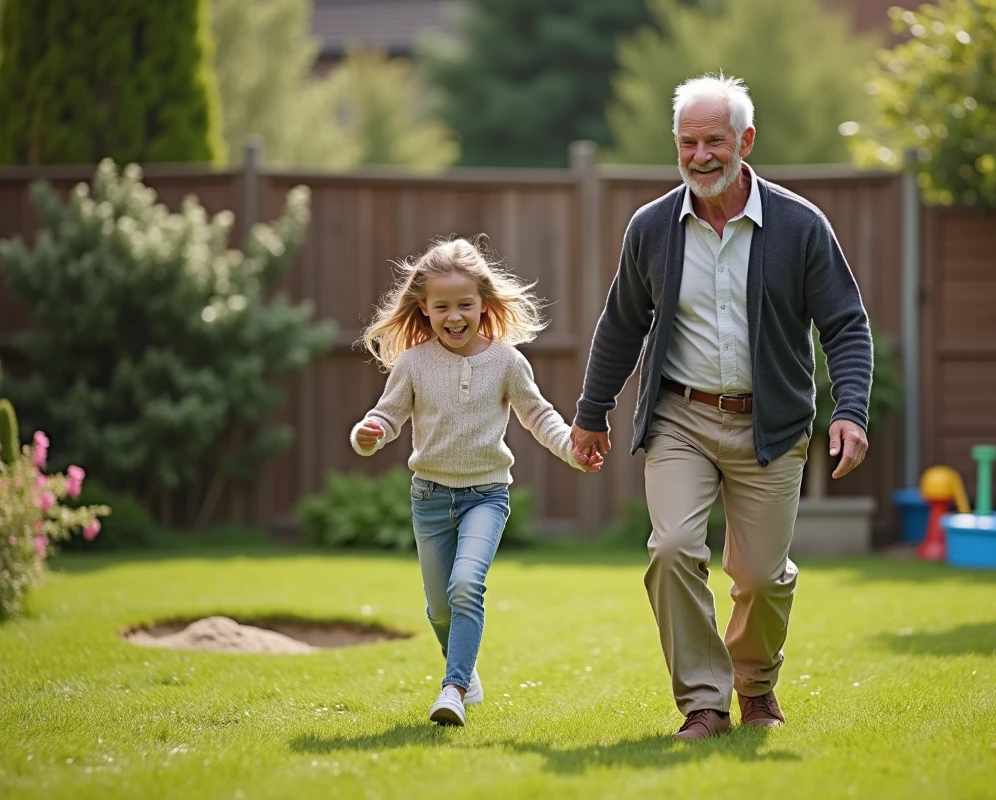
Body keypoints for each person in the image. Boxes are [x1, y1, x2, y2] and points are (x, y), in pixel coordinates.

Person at [570, 74, 874, 740]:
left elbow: (846, 323)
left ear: (746, 141)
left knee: (761, 577)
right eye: (688, 142)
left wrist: (850, 408)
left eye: (714, 141)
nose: (701, 155)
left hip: (773, 424)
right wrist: (592, 412)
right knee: (674, 546)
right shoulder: (652, 228)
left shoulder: (798, 226)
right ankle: (704, 703)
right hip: (680, 416)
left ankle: (756, 686)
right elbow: (621, 323)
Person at [351, 236, 601, 727]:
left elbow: (539, 415)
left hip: (486, 496)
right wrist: (370, 434)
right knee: (440, 606)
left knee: (467, 585)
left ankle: (454, 687)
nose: (454, 315)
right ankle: (463, 668)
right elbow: (388, 415)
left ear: (483, 303)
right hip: (429, 497)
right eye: (442, 306)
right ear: (424, 309)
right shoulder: (414, 364)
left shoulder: (507, 362)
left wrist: (572, 449)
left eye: (465, 304)